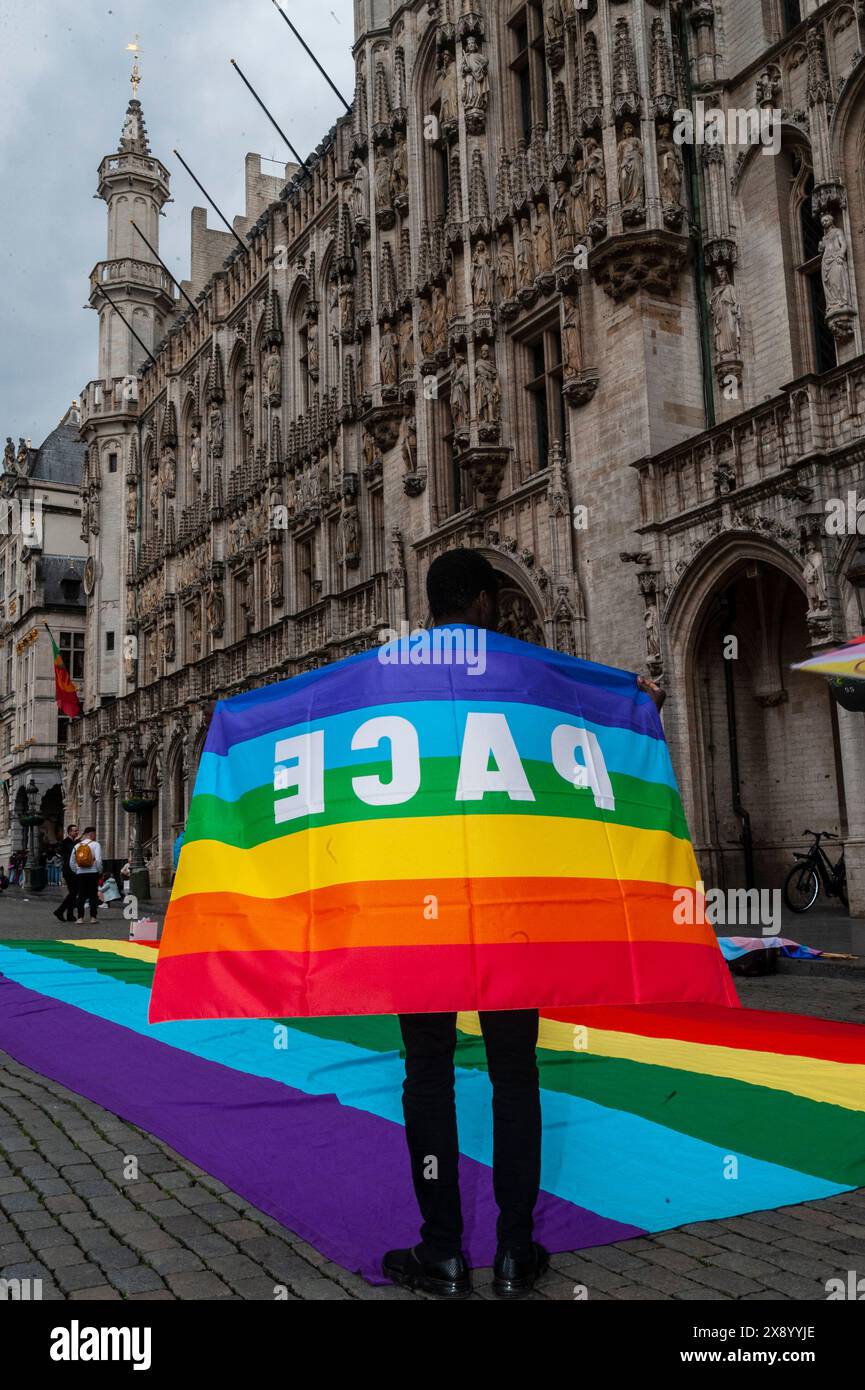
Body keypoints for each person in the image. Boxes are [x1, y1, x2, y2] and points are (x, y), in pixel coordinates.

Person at [383, 548, 665, 1300]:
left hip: (420, 912)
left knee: (427, 1077)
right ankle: (514, 1249)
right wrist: (630, 695)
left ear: (430, 604)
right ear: (480, 602)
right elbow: (582, 720)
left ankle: (441, 1252)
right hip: (510, 912)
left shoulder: (386, 677)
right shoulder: (525, 672)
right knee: (514, 1074)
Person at [69, 826, 103, 925]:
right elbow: (98, 860)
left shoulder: (77, 845)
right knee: (93, 895)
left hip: (80, 873)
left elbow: (71, 861)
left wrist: (77, 871)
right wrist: (99, 871)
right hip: (92, 872)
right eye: (95, 834)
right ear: (91, 834)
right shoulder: (95, 844)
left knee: (81, 895)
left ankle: (80, 918)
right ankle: (93, 917)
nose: (95, 836)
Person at [53, 823, 79, 923]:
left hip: (76, 870)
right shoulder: (65, 842)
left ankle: (70, 914)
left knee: (74, 893)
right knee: (73, 892)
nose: (77, 832)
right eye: (74, 831)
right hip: (68, 870)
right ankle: (60, 911)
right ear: (69, 832)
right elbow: (60, 852)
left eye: (77, 830)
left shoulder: (77, 842)